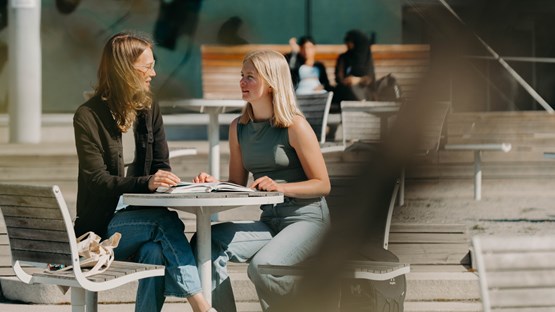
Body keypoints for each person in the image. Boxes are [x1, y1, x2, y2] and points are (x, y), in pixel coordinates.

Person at [73, 31, 215, 312]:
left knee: (155, 252)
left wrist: (181, 183)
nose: (154, 72)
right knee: (163, 222)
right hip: (102, 230)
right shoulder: (87, 116)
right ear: (124, 70)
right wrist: (146, 182)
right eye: (146, 67)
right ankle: (201, 306)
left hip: (138, 221)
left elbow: (161, 165)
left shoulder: (148, 108)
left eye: (153, 64)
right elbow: (96, 180)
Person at [192, 49, 331, 312]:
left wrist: (281, 187)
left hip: (308, 220)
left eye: (251, 77)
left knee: (262, 267)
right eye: (242, 76)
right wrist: (213, 183)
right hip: (269, 222)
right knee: (205, 242)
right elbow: (236, 182)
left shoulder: (295, 126)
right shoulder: (238, 127)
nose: (242, 82)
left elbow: (323, 184)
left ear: (271, 83)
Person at [332, 29, 376, 112]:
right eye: (347, 41)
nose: (348, 44)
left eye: (350, 42)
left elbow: (370, 78)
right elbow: (339, 77)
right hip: (345, 89)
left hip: (364, 90)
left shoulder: (366, 58)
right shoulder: (343, 58)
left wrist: (358, 80)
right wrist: (346, 81)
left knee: (355, 90)